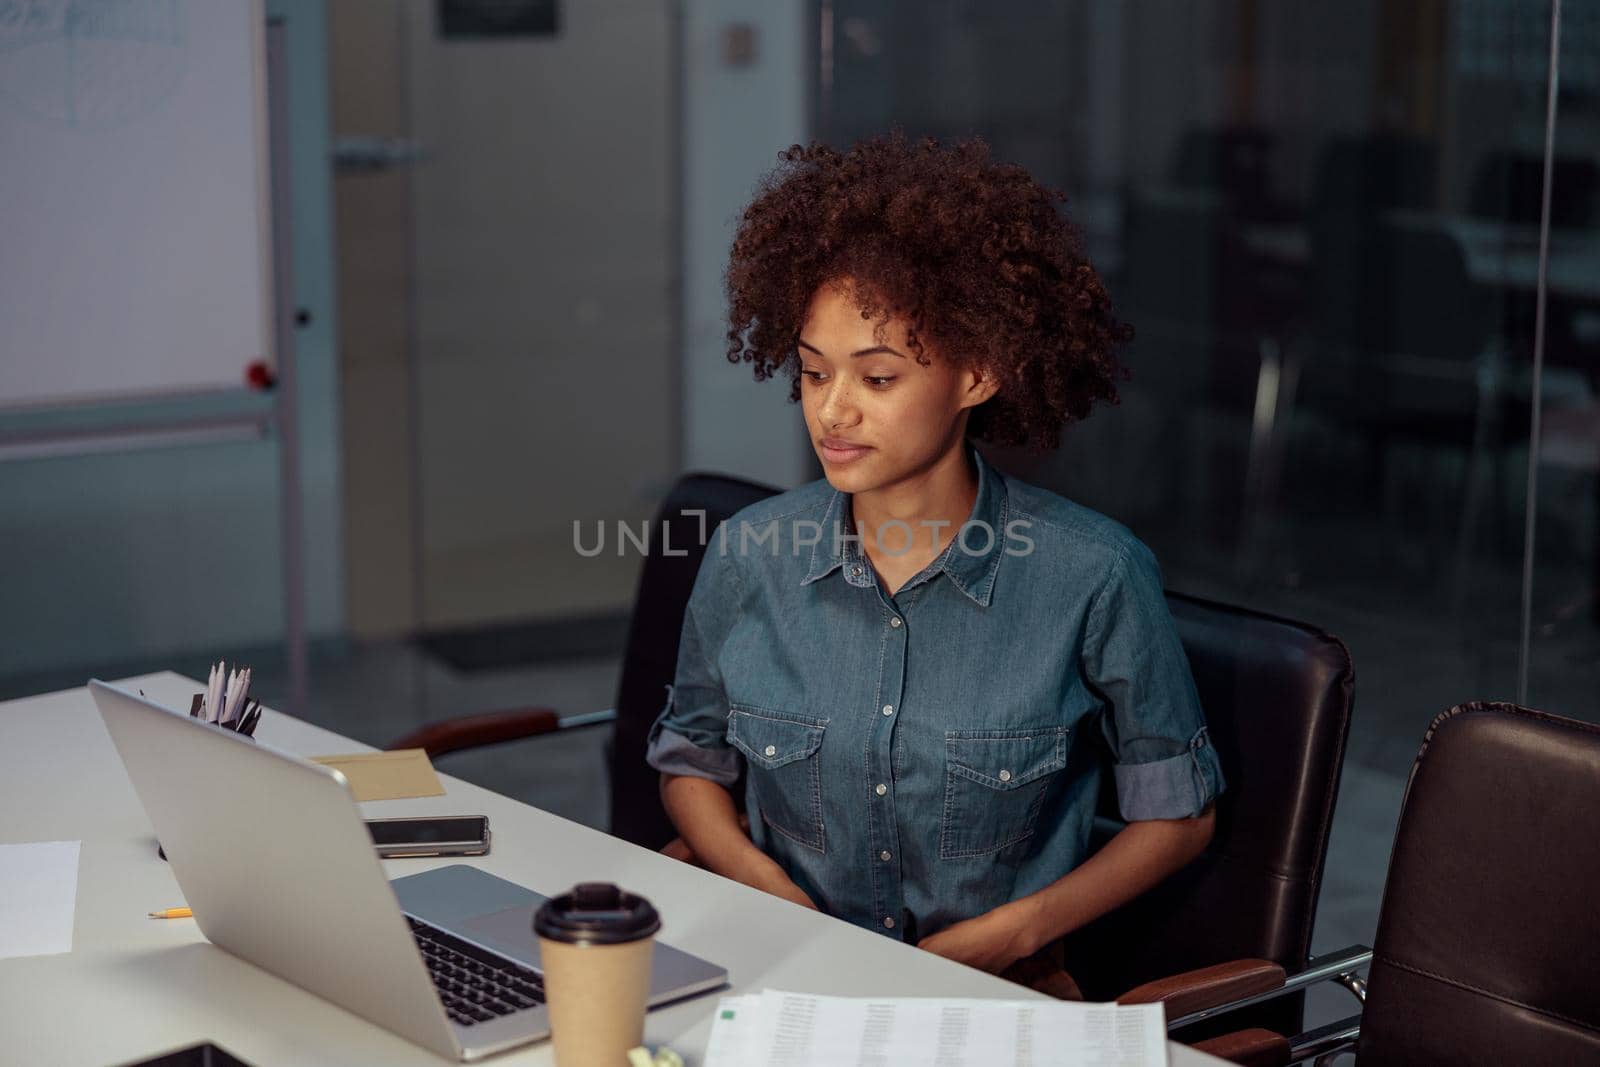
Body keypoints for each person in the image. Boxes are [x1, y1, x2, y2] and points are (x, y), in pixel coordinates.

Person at [645, 133, 1224, 990]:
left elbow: (1179, 817)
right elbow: (691, 758)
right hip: (781, 978)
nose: (832, 411)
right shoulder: (750, 554)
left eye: (876, 379)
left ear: (979, 374)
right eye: (812, 374)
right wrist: (765, 887)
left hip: (990, 999)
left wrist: (1018, 930)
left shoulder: (1092, 575)